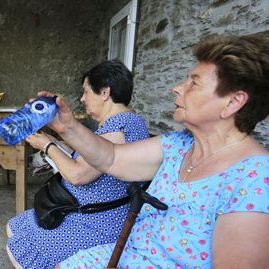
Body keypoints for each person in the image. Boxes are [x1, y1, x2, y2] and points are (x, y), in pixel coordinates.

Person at [42, 33, 269, 269]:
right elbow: (111, 158)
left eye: (194, 83)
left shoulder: (256, 179)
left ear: (233, 102)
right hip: (128, 254)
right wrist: (68, 127)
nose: (177, 88)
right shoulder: (178, 145)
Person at [6, 59, 150, 269]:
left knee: (17, 248)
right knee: (14, 226)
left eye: (86, 91)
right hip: (84, 210)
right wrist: (57, 141)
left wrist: (47, 145)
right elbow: (92, 155)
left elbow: (78, 175)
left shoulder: (119, 127)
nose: (82, 98)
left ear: (104, 93)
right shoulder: (127, 122)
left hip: (97, 221)